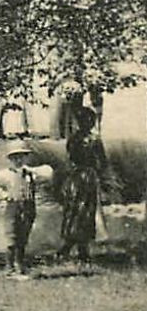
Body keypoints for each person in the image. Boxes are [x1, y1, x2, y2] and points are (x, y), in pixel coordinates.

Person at [0, 142, 54, 278]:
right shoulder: (6, 174)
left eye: (21, 156)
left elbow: (49, 173)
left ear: (26, 157)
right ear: (10, 159)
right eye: (14, 157)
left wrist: (31, 170)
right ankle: (9, 268)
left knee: (23, 238)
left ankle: (19, 265)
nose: (18, 160)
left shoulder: (31, 173)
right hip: (13, 207)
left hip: (28, 207)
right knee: (11, 237)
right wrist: (3, 194)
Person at [59, 106, 105, 265]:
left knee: (82, 212)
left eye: (91, 120)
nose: (89, 123)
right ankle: (70, 248)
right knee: (79, 211)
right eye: (86, 120)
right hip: (82, 178)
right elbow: (101, 161)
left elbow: (101, 161)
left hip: (82, 178)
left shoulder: (84, 139)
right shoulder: (84, 140)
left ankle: (79, 250)